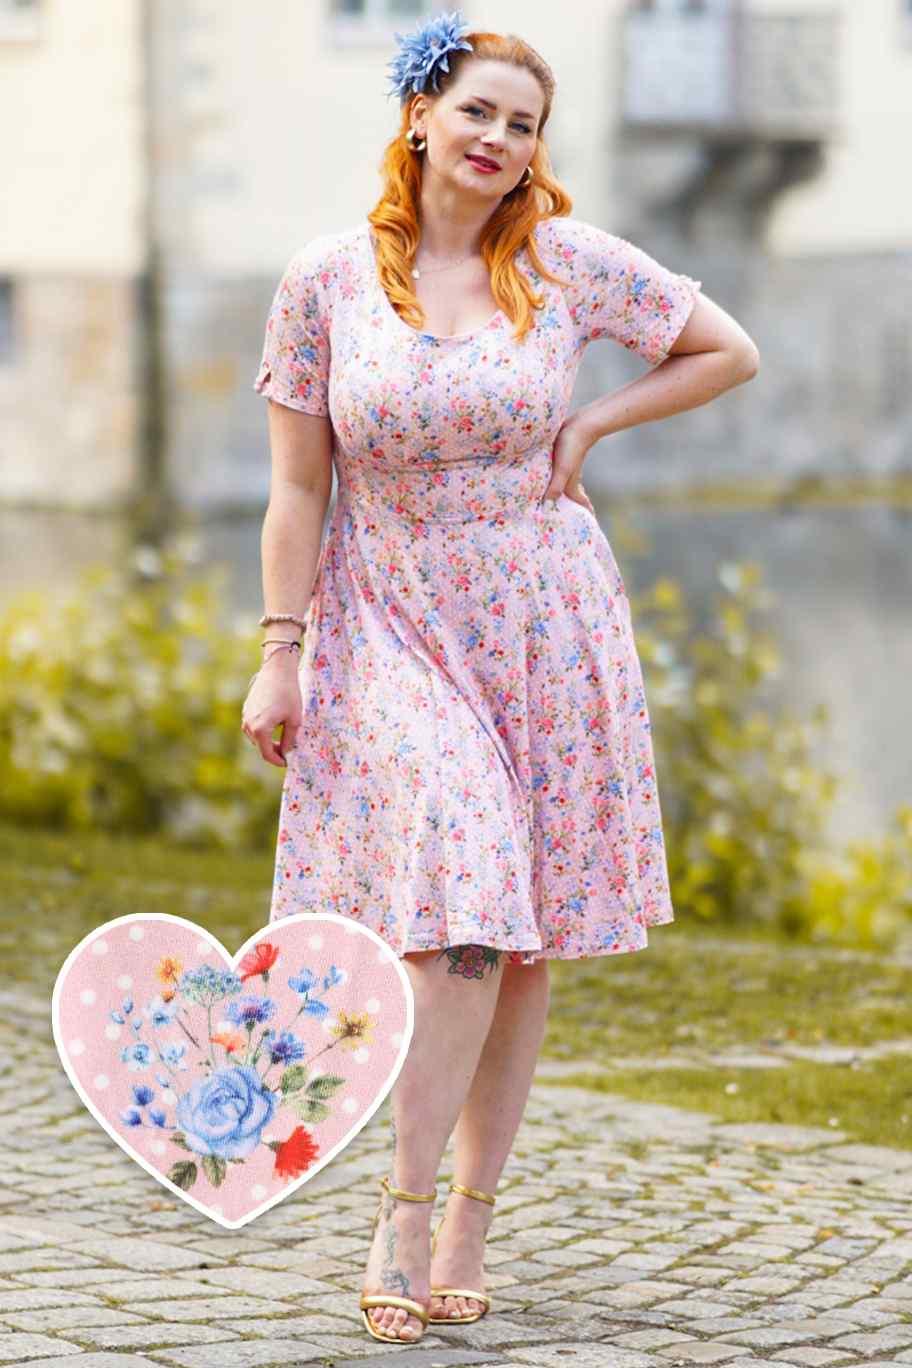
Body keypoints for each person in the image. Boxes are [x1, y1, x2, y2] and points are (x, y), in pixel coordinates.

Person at [242, 7, 759, 1347]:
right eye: (477, 110)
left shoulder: (565, 261)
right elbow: (298, 487)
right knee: (463, 884)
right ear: (420, 114)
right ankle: (402, 1208)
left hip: (542, 616)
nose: (498, 140)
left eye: (523, 124)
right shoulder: (325, 281)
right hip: (387, 614)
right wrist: (279, 652)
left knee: (516, 938)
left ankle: (471, 1208)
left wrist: (593, 416)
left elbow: (726, 348)